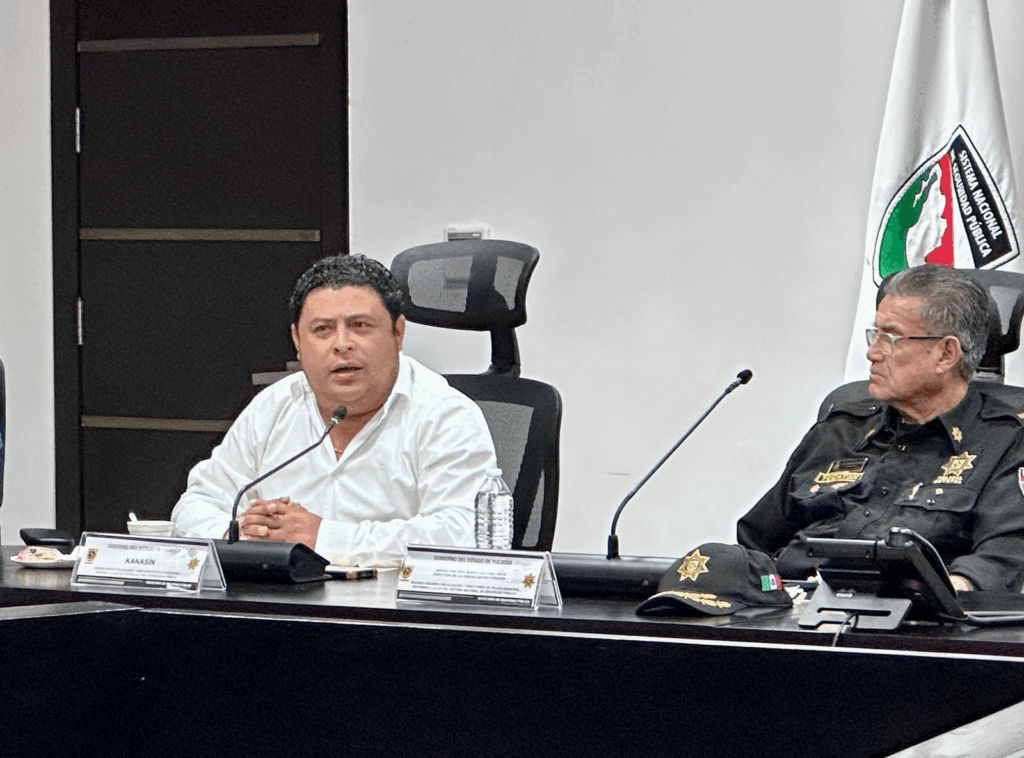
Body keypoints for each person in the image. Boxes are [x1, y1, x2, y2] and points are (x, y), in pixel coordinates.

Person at [171, 254, 498, 558]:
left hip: (392, 600)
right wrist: (239, 534)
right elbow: (196, 504)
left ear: (397, 333)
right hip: (281, 596)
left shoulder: (445, 416)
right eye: (322, 330)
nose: (342, 344)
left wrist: (322, 537)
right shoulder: (274, 406)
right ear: (297, 341)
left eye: (360, 326)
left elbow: (463, 534)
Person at [737, 264, 1024, 592]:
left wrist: (924, 591)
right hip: (793, 610)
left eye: (891, 338)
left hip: (912, 617)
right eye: (875, 335)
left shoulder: (1006, 442)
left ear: (946, 354)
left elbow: (1001, 561)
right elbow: (755, 542)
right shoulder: (841, 429)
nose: (872, 353)